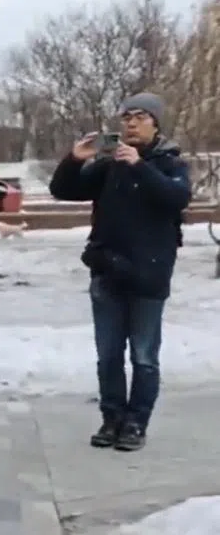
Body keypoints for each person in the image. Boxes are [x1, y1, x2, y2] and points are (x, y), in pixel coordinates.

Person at [48, 93, 191, 451]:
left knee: (143, 356)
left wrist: (140, 165)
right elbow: (63, 190)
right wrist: (74, 160)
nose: (130, 123)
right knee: (108, 354)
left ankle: (135, 423)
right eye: (125, 116)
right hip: (108, 271)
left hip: (149, 275)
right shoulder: (110, 164)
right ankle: (111, 419)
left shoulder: (170, 163)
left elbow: (176, 198)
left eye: (139, 116)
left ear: (155, 123)